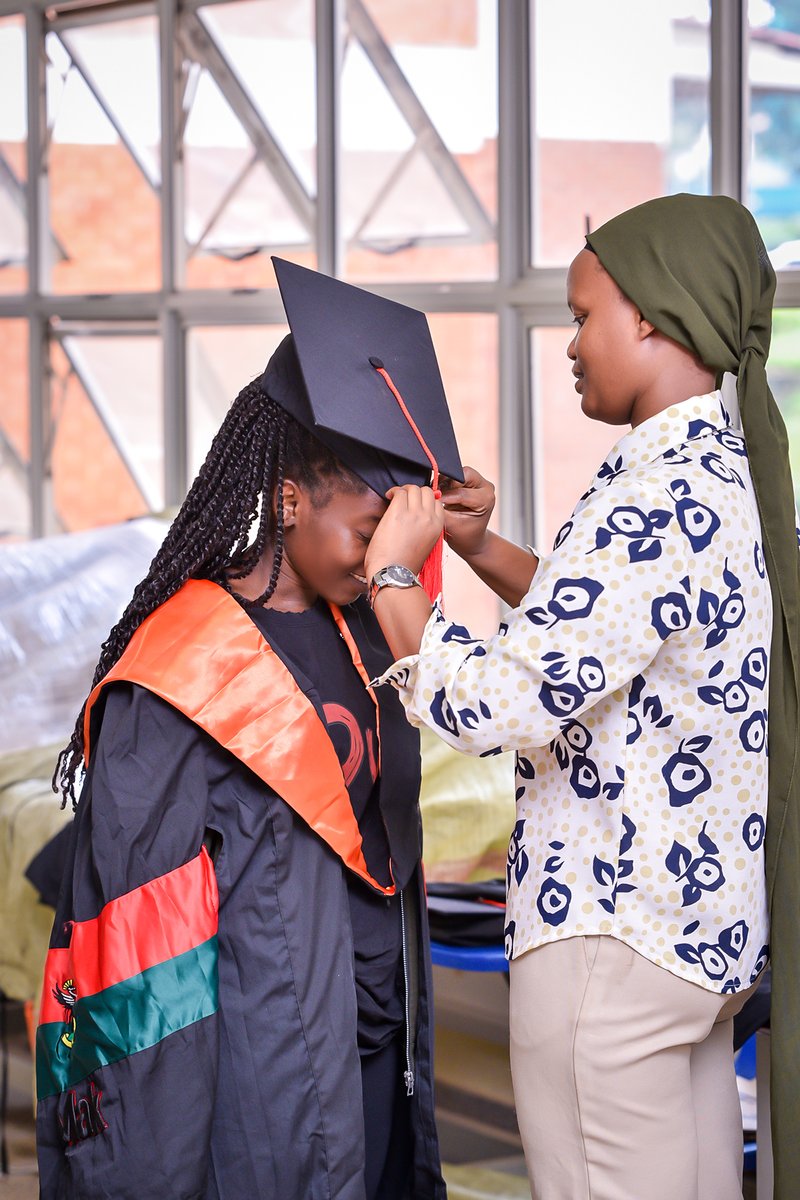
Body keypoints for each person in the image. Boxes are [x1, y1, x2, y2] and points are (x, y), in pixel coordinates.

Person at [362, 194, 800, 1200]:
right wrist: (477, 550)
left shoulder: (648, 497)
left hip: (608, 939)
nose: (567, 345)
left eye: (579, 315)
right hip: (693, 944)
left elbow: (497, 707)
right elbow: (607, 642)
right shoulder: (714, 474)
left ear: (650, 315)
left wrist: (396, 580)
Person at [35, 258, 463, 1200]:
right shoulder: (181, 665)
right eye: (365, 534)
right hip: (260, 1063)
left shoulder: (369, 632)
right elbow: (139, 956)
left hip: (383, 1043)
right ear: (289, 496)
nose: (378, 561)